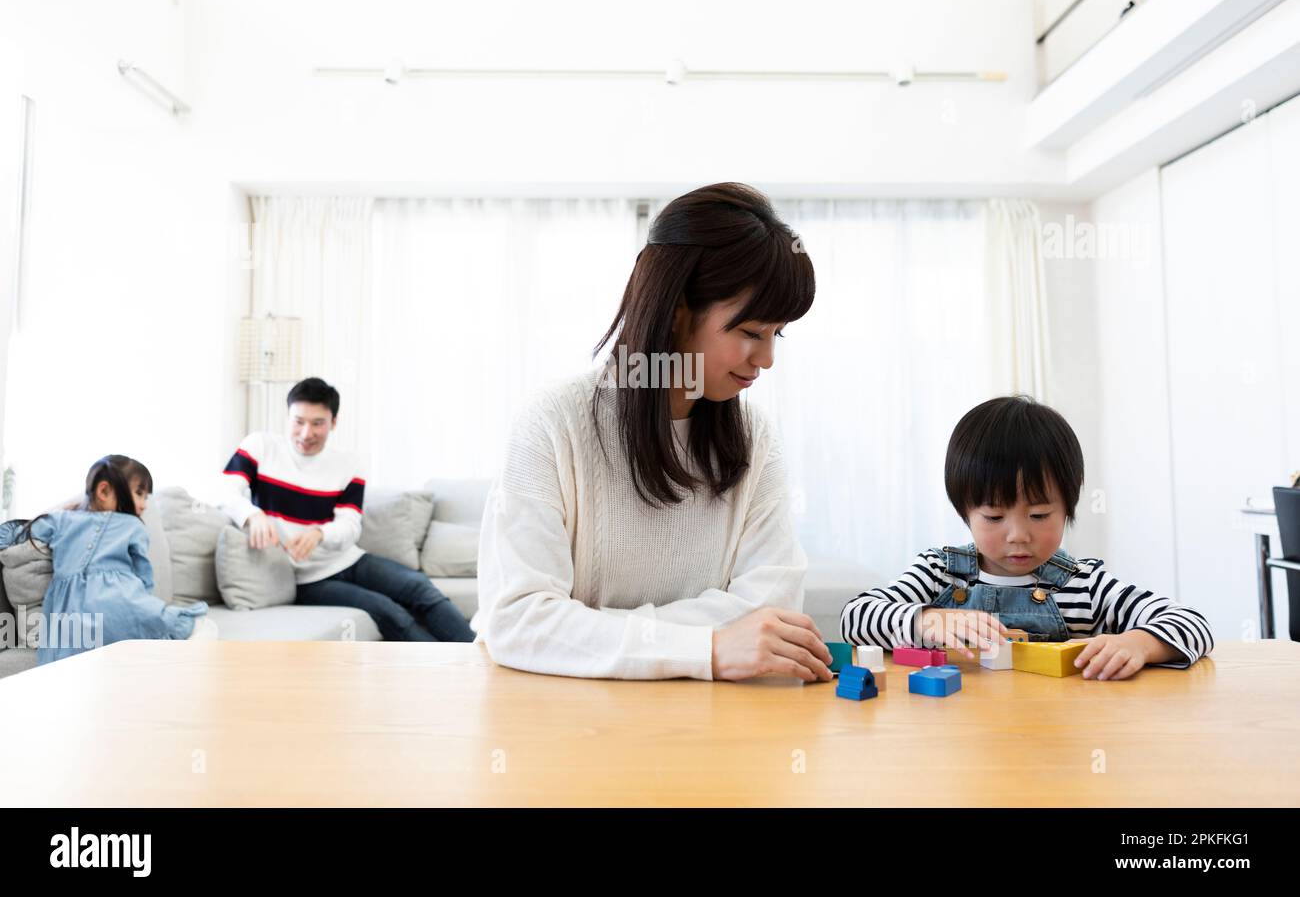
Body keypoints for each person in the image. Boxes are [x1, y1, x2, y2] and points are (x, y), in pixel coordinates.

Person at [475, 181, 833, 681]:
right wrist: (707, 648)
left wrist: (589, 631)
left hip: (706, 720)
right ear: (677, 310)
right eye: (751, 332)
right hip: (560, 716)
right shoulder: (553, 422)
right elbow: (516, 621)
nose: (767, 359)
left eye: (777, 334)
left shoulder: (755, 438)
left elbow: (772, 610)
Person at [840, 396, 1214, 679]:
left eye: (1039, 515)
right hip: (961, 739)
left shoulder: (1084, 585)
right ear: (964, 512)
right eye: (994, 516)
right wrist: (928, 621)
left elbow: (1193, 625)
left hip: (1052, 739)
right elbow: (854, 618)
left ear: (1068, 507)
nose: (1018, 535)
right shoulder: (940, 572)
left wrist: (1139, 643)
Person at [218, 377, 473, 642]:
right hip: (307, 580)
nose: (306, 434)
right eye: (298, 421)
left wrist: (319, 534)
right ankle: (446, 675)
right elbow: (222, 490)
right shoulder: (260, 446)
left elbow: (350, 527)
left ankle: (483, 662)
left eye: (318, 423)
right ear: (287, 416)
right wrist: (252, 515)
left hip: (347, 559)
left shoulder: (347, 465)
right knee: (389, 612)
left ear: (334, 422)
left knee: (420, 588)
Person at [0, 455, 211, 664]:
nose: (144, 504)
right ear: (104, 491)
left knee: (64, 649)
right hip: (118, 599)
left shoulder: (61, 520)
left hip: (66, 607)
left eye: (146, 497)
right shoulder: (132, 526)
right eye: (140, 493)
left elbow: (18, 534)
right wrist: (145, 600)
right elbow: (143, 573)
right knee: (189, 624)